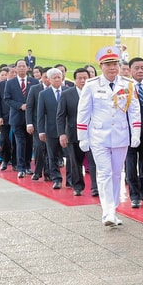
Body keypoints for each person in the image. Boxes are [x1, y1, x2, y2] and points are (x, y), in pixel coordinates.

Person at [77, 45, 141, 227]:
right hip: (98, 136)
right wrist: (82, 136)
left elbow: (134, 110)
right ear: (101, 66)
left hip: (120, 135)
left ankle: (113, 208)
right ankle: (108, 211)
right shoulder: (91, 85)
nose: (112, 68)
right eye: (108, 65)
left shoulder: (128, 84)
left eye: (114, 64)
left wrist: (135, 131)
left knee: (116, 174)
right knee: (104, 173)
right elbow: (83, 112)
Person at [58, 67, 97, 197]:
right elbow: (61, 116)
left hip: (94, 133)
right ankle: (78, 186)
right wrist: (62, 134)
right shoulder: (67, 94)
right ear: (74, 80)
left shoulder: (96, 93)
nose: (82, 80)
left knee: (94, 161)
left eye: (85, 78)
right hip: (74, 134)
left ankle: (95, 187)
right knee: (75, 162)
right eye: (79, 78)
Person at [124, 57, 143, 208]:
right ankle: (134, 195)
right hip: (128, 133)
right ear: (130, 70)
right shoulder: (124, 87)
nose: (141, 70)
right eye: (137, 68)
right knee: (130, 165)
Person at [2, 59, 39, 178]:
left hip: (30, 119)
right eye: (19, 66)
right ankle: (20, 166)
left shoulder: (34, 82)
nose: (22, 68)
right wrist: (19, 106)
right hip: (17, 117)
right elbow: (7, 99)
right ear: (16, 68)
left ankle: (28, 165)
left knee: (29, 142)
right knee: (20, 141)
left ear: (27, 68)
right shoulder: (10, 83)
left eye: (24, 66)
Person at [37, 67, 65, 189]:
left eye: (59, 77)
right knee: (52, 155)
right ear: (49, 79)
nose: (57, 80)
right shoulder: (43, 94)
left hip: (66, 130)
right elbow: (40, 114)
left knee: (70, 155)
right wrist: (41, 131)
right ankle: (56, 179)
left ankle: (71, 179)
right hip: (51, 129)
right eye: (54, 78)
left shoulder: (68, 91)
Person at [25, 69, 50, 181]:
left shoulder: (57, 90)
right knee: (39, 147)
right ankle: (38, 171)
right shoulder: (35, 89)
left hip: (51, 125)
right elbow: (29, 107)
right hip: (37, 124)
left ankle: (49, 173)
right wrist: (29, 123)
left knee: (50, 149)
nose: (48, 79)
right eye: (45, 77)